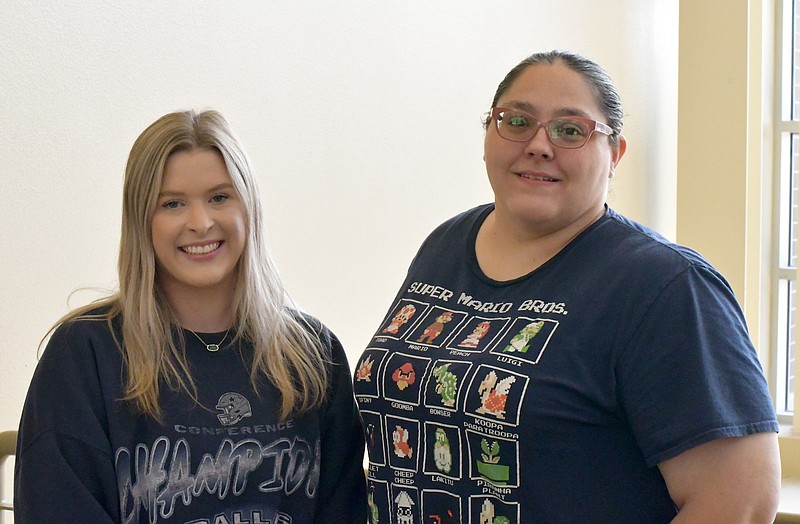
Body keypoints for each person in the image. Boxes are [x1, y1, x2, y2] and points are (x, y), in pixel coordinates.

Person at [353, 51, 780, 523]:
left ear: (614, 154)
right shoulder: (445, 244)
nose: (538, 145)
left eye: (570, 130)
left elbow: (742, 501)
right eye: (516, 121)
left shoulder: (666, 288)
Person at [14, 109, 367, 523]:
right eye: (172, 203)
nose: (200, 223)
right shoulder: (84, 355)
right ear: (141, 220)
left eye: (219, 197)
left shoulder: (312, 355)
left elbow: (344, 510)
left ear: (249, 206)